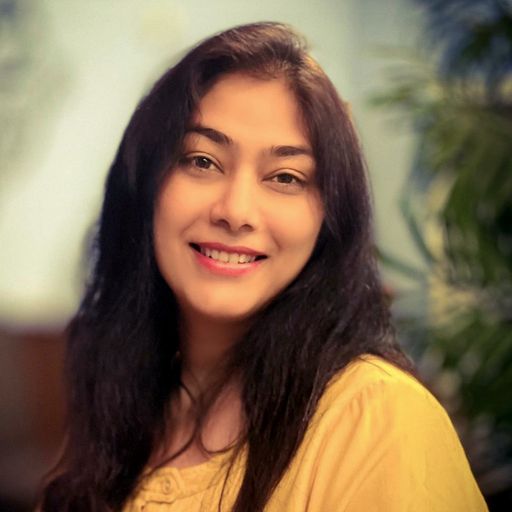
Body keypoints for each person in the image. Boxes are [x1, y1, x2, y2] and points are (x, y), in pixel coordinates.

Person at [39, 22, 487, 512]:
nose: (236, 211)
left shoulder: (379, 420)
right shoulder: (120, 406)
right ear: (144, 183)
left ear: (329, 218)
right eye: (202, 161)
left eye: (285, 177)